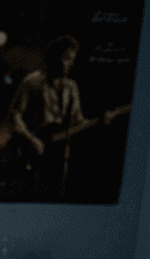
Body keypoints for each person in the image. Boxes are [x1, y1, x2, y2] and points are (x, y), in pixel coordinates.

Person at [8, 35, 118, 197]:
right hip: (32, 156)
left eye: (72, 59)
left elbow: (78, 122)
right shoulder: (32, 81)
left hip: (59, 158)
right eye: (66, 58)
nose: (71, 63)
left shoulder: (72, 87)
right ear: (54, 57)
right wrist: (32, 140)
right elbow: (15, 117)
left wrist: (99, 121)